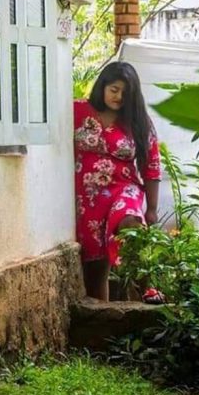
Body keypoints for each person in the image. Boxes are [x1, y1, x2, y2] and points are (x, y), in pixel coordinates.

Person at [73, 61, 164, 303]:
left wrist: (152, 209)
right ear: (102, 86)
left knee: (131, 224)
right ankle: (103, 327)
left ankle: (147, 289)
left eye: (125, 93)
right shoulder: (78, 111)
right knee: (95, 270)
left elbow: (152, 165)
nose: (119, 97)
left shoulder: (139, 122)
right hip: (88, 198)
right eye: (114, 89)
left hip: (124, 189)